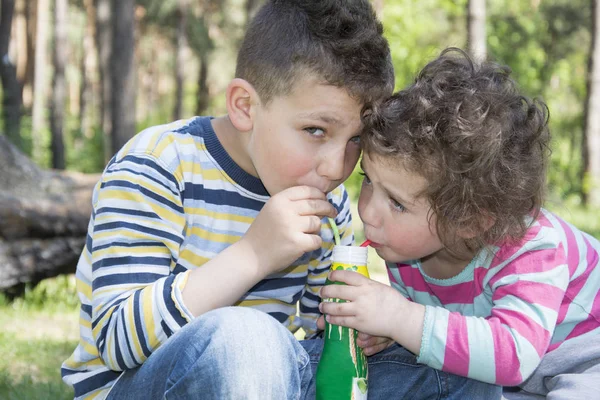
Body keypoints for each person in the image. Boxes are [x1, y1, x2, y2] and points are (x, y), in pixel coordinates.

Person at [60, 0, 396, 399]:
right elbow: (118, 341)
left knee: (436, 358)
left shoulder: (329, 201)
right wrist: (254, 254)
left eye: (356, 139)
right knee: (243, 338)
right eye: (316, 130)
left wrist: (365, 326)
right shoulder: (158, 165)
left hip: (275, 379)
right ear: (244, 106)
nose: (336, 167)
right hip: (143, 386)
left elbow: (318, 334)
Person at [320, 47, 600, 399]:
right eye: (368, 180)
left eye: (397, 203)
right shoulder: (404, 254)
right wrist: (386, 332)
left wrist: (401, 317)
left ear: (469, 221)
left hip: (589, 360)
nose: (368, 212)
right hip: (525, 382)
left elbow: (513, 353)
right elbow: (448, 340)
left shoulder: (534, 246)